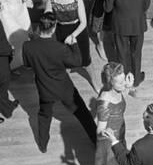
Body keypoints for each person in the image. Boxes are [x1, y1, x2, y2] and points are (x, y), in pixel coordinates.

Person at [22, 12, 97, 153]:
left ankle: (42, 144)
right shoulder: (60, 49)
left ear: (39, 27)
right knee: (83, 114)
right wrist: (74, 45)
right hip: (64, 89)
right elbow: (77, 61)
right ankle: (96, 141)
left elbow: (27, 65)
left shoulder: (27, 46)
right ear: (54, 28)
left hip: (44, 89)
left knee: (44, 116)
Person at [104, 0, 151, 87]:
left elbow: (107, 8)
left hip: (120, 25)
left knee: (122, 53)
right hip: (137, 24)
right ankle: (135, 79)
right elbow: (146, 4)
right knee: (136, 53)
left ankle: (123, 79)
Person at [45, 0, 96, 91]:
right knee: (64, 60)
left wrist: (73, 36)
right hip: (61, 31)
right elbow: (48, 17)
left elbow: (83, 23)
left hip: (78, 31)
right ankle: (65, 85)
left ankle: (95, 83)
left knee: (86, 60)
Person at [94, 62, 135, 165]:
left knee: (122, 161)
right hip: (110, 140)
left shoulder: (117, 89)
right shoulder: (104, 102)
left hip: (120, 132)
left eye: (124, 80)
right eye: (120, 82)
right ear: (111, 82)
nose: (123, 84)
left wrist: (130, 85)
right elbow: (100, 129)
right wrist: (110, 136)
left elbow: (135, 94)